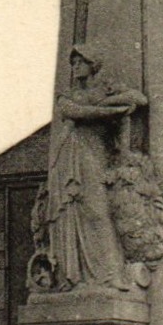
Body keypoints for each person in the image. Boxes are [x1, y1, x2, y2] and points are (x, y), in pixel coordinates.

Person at [42, 44, 149, 291]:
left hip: (94, 155)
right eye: (74, 63)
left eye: (81, 61)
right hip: (69, 156)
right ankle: (72, 276)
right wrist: (108, 110)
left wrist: (109, 102)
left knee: (97, 211)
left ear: (93, 65)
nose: (76, 66)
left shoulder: (104, 90)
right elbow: (73, 112)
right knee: (70, 213)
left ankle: (109, 274)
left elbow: (139, 99)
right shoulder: (67, 95)